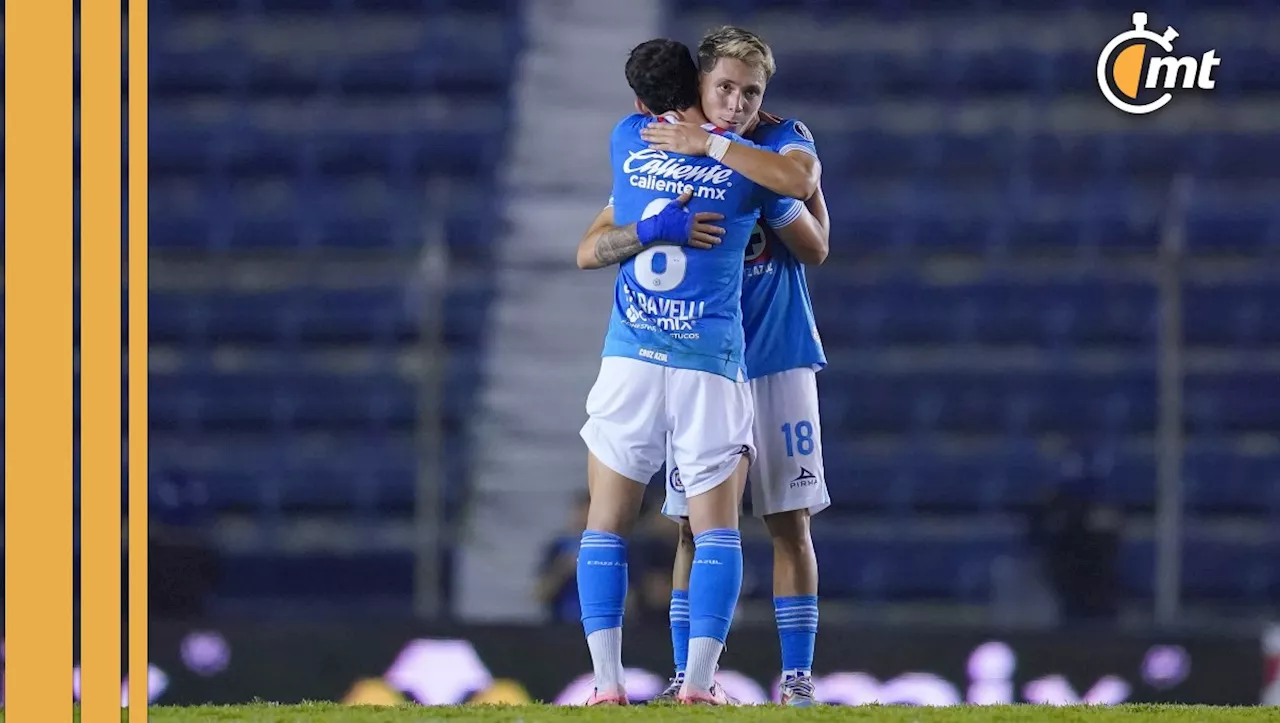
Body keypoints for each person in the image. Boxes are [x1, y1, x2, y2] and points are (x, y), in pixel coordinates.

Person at [573, 38, 825, 706]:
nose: (738, 103)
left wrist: (653, 224)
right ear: (698, 87)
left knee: (610, 522)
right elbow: (803, 208)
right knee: (711, 527)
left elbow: (589, 248)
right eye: (725, 89)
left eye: (751, 93)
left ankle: (608, 685)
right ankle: (698, 681)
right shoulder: (755, 167)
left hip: (649, 353)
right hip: (714, 361)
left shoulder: (630, 138)